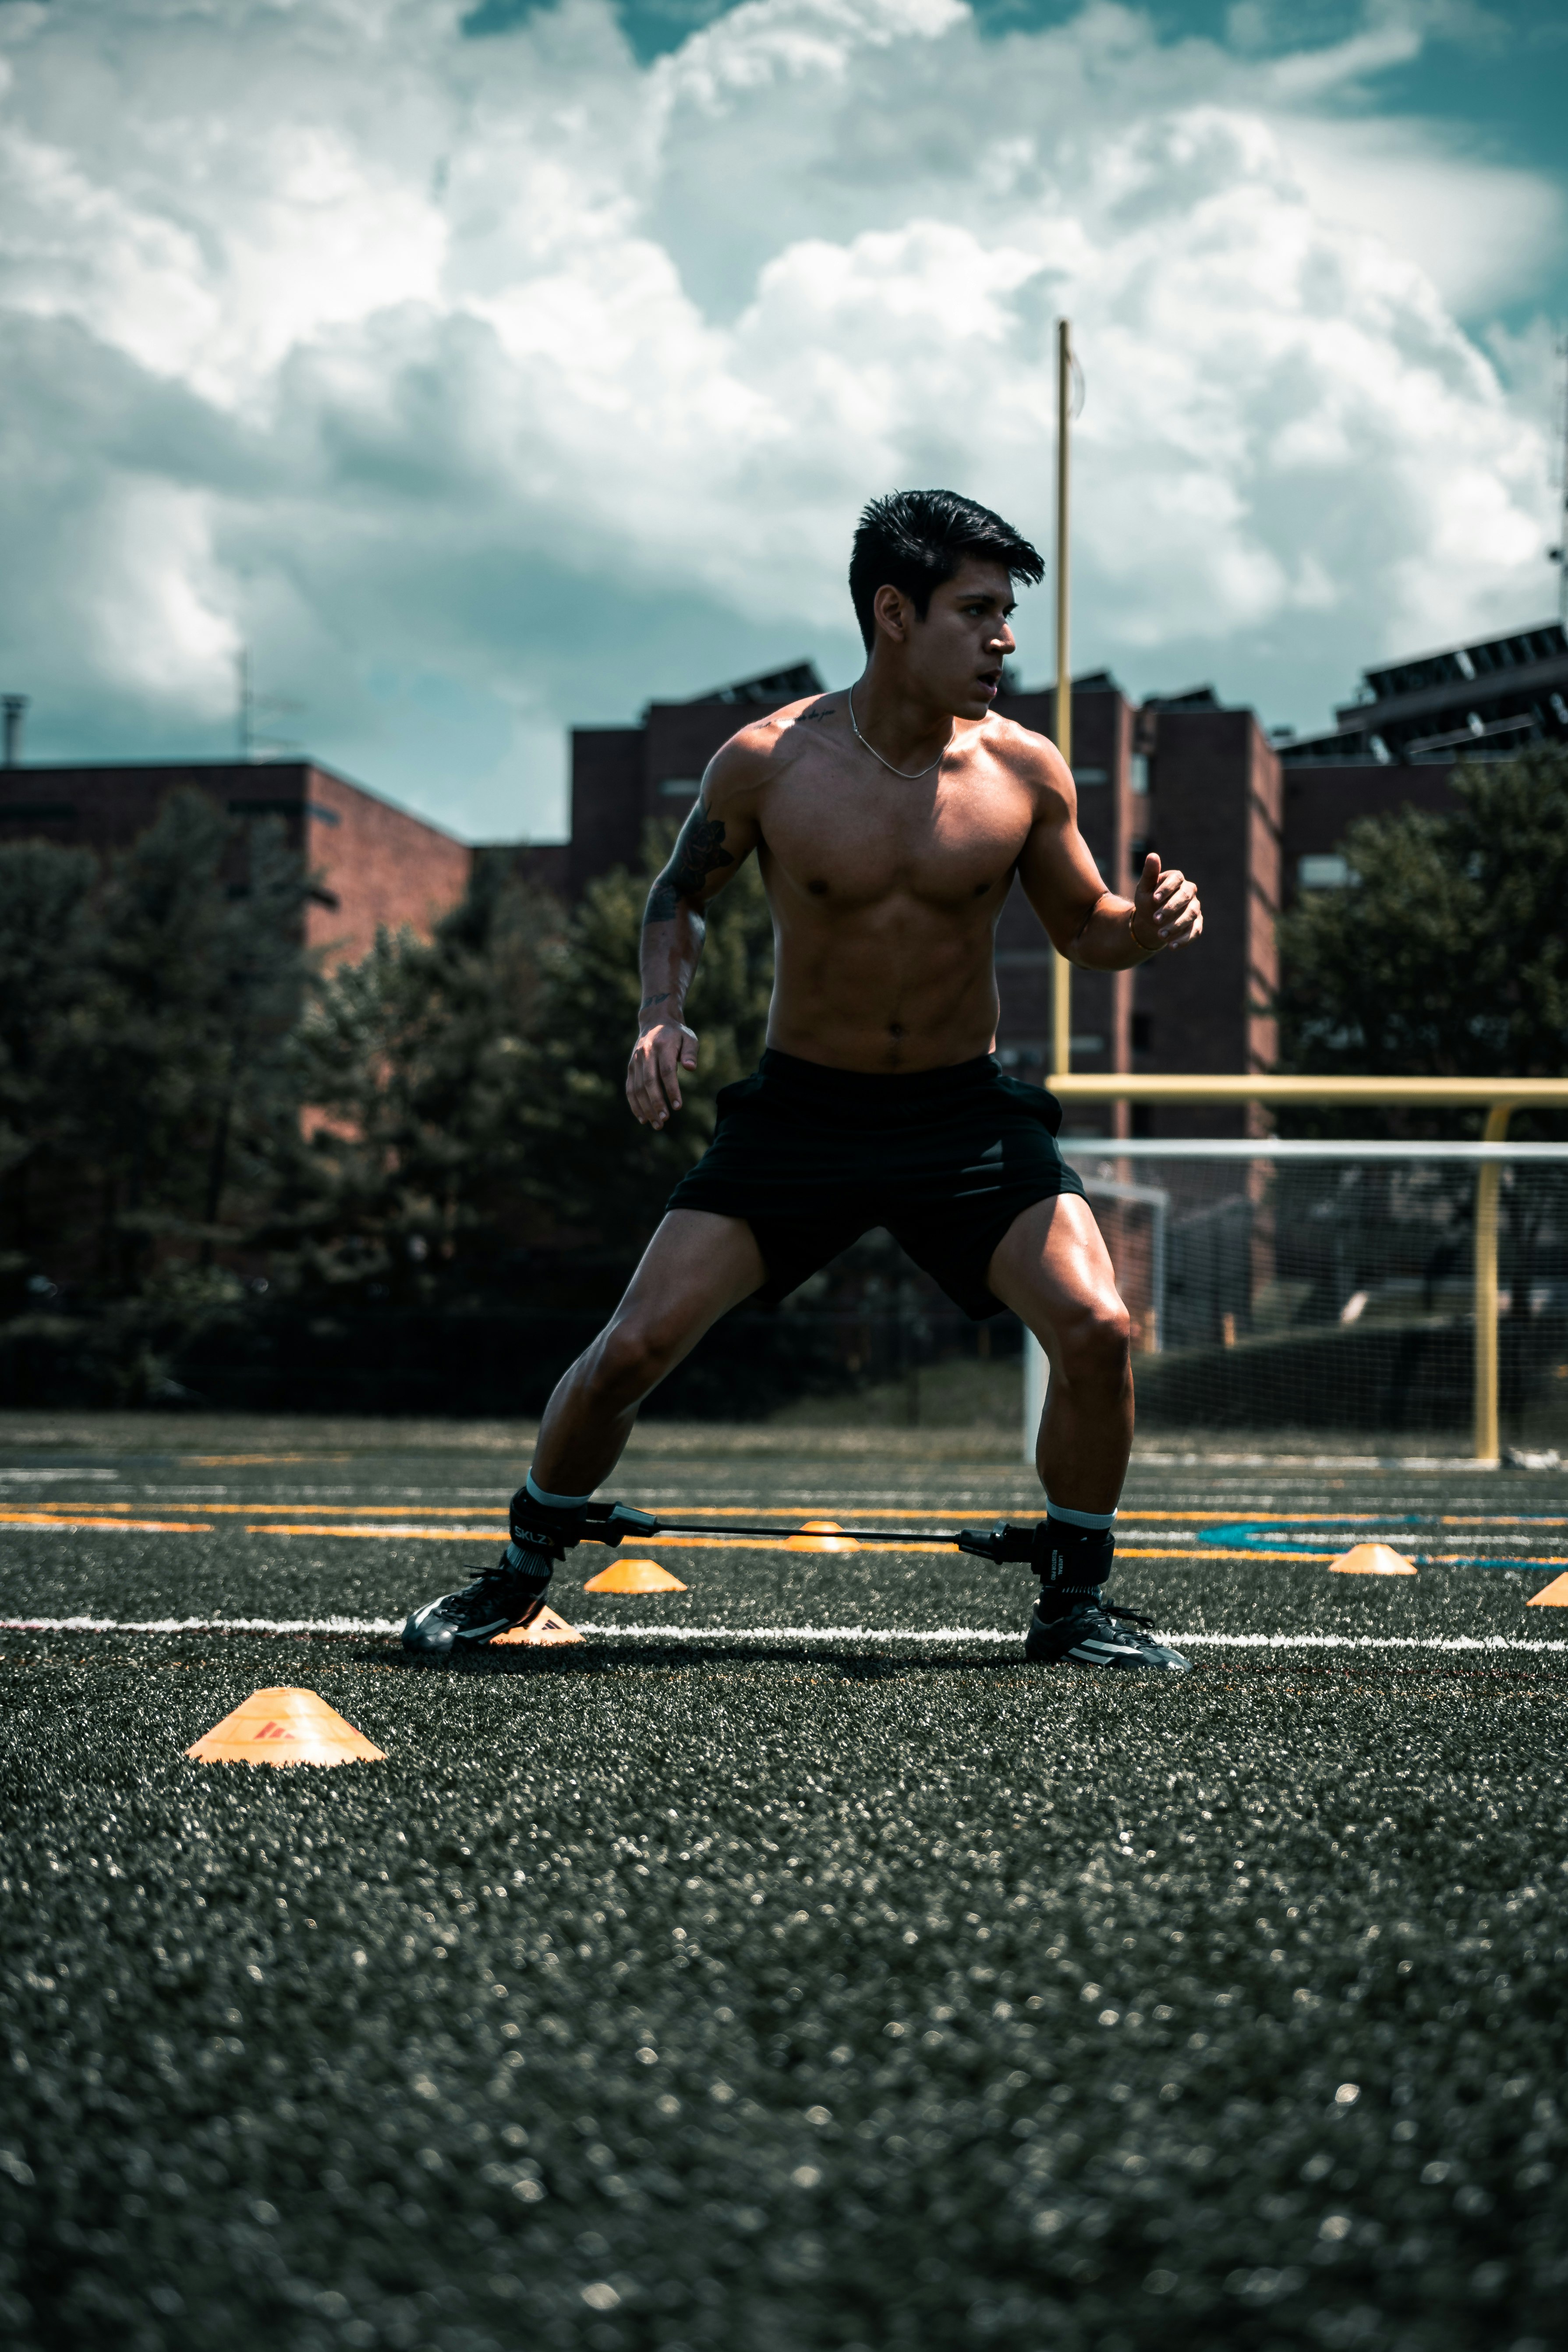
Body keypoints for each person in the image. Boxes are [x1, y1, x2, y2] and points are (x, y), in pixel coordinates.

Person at [404, 489, 1203, 1668]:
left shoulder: (1027, 772)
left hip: (963, 1118)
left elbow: (1085, 924)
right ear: (894, 614)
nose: (1004, 641)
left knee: (1094, 1328)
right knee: (629, 1350)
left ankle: (1072, 1605)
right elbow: (680, 893)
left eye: (1008, 614)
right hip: (802, 1116)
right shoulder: (769, 763)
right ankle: (515, 1575)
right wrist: (657, 1016)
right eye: (977, 612)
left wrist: (1144, 928)